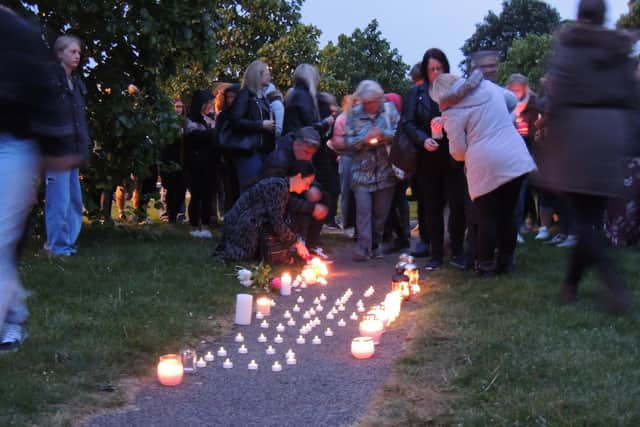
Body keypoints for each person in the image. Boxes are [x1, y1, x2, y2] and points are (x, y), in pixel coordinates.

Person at [534, 0, 637, 310]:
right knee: (590, 217)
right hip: (611, 134)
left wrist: (551, 145)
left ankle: (613, 282)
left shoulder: (571, 47)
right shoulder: (618, 50)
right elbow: (633, 96)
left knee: (583, 220)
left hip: (579, 136)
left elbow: (559, 95)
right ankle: (570, 284)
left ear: (580, 15)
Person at [1, 7, 82, 351]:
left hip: (10, 143)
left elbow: (44, 95)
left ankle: (10, 319)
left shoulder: (13, 31)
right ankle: (13, 310)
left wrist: (57, 146)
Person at [430, 70, 536, 275]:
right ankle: (506, 262)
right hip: (514, 156)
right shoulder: (486, 86)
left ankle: (485, 264)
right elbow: (512, 100)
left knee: (486, 217)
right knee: (508, 213)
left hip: (485, 165)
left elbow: (459, 152)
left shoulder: (451, 111)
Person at [403, 48, 467, 270]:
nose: (436, 73)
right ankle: (436, 252)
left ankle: (457, 250)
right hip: (428, 157)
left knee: (458, 204)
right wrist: (423, 140)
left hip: (454, 155)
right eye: (431, 69)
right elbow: (408, 123)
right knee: (432, 206)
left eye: (439, 68)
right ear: (425, 70)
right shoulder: (416, 93)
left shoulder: (456, 92)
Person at [43, 35, 90, 256]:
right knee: (58, 201)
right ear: (60, 54)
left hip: (73, 151)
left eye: (79, 52)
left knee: (74, 201)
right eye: (72, 52)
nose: (77, 56)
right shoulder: (50, 81)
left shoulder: (77, 84)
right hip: (56, 152)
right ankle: (56, 246)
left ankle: (67, 243)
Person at [214, 160, 314, 262]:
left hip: (241, 222)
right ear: (298, 176)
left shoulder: (280, 185)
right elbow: (277, 223)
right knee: (246, 257)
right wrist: (297, 242)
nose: (307, 188)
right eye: (307, 183)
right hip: (238, 226)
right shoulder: (278, 187)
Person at [345, 80, 400, 261]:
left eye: (371, 102)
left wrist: (382, 135)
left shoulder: (389, 110)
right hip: (361, 174)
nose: (368, 106)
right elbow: (347, 141)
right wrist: (364, 139)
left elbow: (400, 134)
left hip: (385, 172)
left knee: (380, 214)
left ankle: (376, 245)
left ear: (379, 98)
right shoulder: (354, 114)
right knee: (363, 213)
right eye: (365, 102)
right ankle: (363, 248)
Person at [262, 127, 329, 249]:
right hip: (275, 202)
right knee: (305, 209)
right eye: (306, 152)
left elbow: (310, 174)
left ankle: (310, 244)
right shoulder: (279, 160)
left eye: (312, 154)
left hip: (294, 194)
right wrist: (311, 208)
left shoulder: (303, 154)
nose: (309, 157)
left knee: (323, 198)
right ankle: (296, 244)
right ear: (296, 144)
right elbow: (275, 196)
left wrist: (313, 187)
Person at [506, 73, 542, 242]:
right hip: (513, 149)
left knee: (532, 188)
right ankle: (516, 226)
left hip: (532, 147)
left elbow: (539, 122)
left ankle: (535, 221)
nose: (515, 93)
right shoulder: (505, 102)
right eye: (512, 90)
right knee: (518, 190)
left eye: (518, 90)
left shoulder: (534, 103)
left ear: (525, 88)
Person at [228, 60, 275, 191]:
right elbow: (235, 121)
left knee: (260, 193)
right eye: (267, 72)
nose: (269, 75)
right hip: (249, 153)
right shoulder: (245, 95)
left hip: (263, 152)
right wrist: (260, 125)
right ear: (257, 75)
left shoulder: (263, 98)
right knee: (250, 193)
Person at [183, 90, 217, 238]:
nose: (211, 106)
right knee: (196, 195)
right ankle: (194, 225)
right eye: (208, 103)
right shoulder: (190, 119)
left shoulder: (210, 119)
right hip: (195, 163)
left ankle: (205, 224)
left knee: (207, 195)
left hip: (210, 162)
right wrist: (213, 132)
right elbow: (193, 137)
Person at [283, 64, 334, 136]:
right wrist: (325, 123)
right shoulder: (304, 96)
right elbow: (308, 127)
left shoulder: (294, 94)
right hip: (298, 143)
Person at [159, 97, 186, 223]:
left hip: (181, 159)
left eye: (180, 106)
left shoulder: (185, 122)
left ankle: (179, 213)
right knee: (168, 189)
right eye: (176, 106)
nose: (178, 109)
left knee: (180, 188)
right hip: (168, 158)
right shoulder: (166, 123)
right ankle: (168, 214)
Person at [216, 84, 240, 211]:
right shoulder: (223, 116)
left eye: (233, 97)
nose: (231, 100)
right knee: (228, 188)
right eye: (228, 97)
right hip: (227, 156)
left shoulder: (242, 114)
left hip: (240, 155)